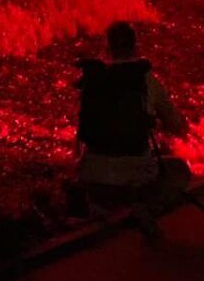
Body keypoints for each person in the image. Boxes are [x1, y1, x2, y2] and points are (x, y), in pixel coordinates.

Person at [76, 21, 191, 232]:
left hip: (92, 179)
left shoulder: (94, 79)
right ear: (136, 46)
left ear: (107, 48)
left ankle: (104, 209)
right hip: (134, 179)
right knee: (181, 171)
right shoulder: (146, 80)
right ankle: (145, 210)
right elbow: (176, 126)